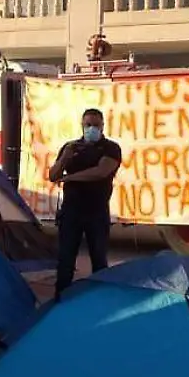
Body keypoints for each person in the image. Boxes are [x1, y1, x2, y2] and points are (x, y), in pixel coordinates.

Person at [48, 107, 122, 297]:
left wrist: (70, 178)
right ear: (82, 125)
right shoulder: (70, 147)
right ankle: (61, 298)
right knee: (65, 259)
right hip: (71, 211)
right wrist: (64, 159)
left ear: (103, 126)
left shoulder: (111, 148)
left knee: (99, 259)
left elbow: (101, 172)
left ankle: (100, 299)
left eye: (95, 125)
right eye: (88, 125)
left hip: (97, 211)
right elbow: (53, 175)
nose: (91, 129)